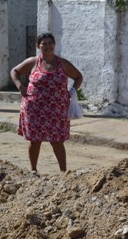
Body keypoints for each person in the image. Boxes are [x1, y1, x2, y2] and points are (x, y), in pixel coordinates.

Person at [10, 32, 83, 173]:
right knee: (35, 141)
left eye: (50, 43)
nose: (48, 46)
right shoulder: (33, 62)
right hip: (34, 109)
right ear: (38, 46)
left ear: (54, 45)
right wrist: (20, 87)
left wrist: (72, 91)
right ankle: (33, 170)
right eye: (44, 43)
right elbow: (15, 71)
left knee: (57, 141)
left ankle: (64, 172)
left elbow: (78, 77)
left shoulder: (63, 64)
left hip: (57, 110)